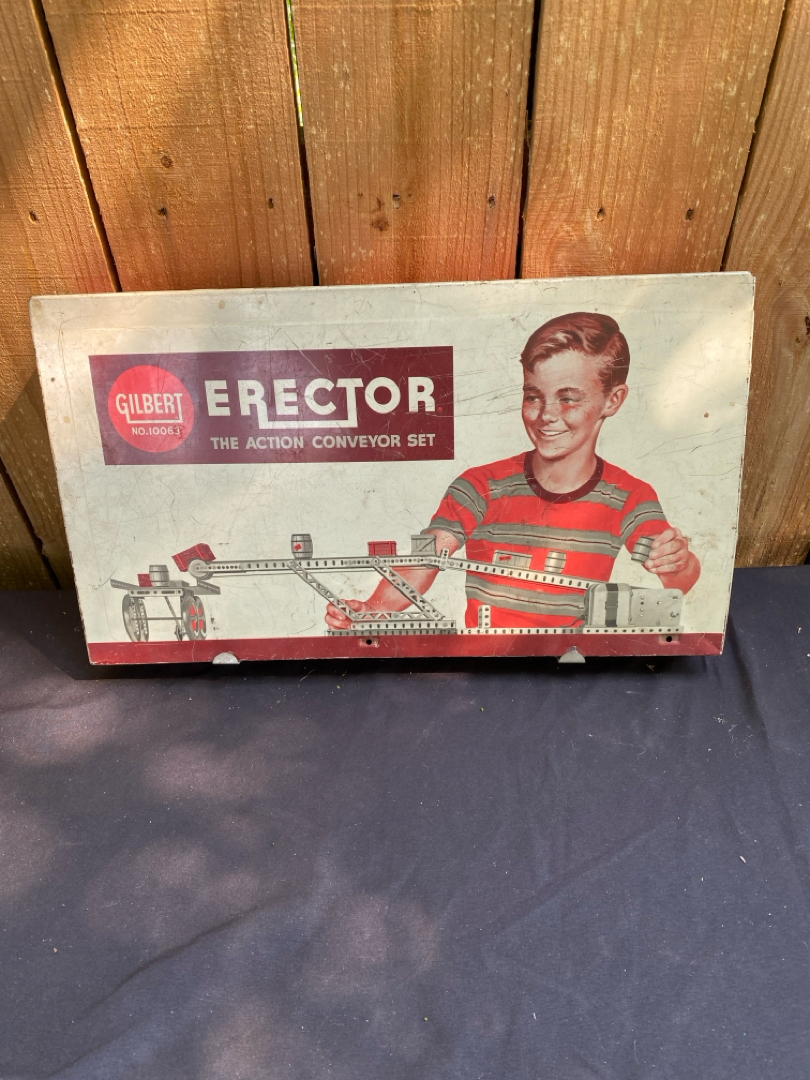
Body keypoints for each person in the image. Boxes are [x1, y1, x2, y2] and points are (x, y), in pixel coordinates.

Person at [325, 312, 700, 631]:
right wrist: (373, 608)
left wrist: (677, 560)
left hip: (568, 665)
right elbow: (426, 559)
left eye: (568, 398)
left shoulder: (629, 496)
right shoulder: (480, 485)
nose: (546, 415)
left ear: (613, 400)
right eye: (533, 396)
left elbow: (678, 578)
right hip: (487, 664)